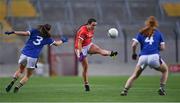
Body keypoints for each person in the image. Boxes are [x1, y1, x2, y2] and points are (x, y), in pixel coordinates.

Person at [5, 24, 68, 93]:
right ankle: (18, 86)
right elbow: (56, 44)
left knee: (20, 70)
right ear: (49, 30)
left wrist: (14, 32)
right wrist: (62, 40)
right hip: (33, 57)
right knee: (28, 75)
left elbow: (24, 33)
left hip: (25, 54)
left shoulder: (34, 31)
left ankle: (12, 81)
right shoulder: (47, 38)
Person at [120, 16, 168, 96]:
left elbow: (133, 45)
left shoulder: (141, 32)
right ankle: (161, 89)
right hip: (154, 57)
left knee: (135, 75)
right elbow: (163, 48)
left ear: (147, 23)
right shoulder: (159, 33)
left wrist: (134, 53)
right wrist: (155, 48)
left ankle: (125, 90)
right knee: (165, 70)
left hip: (143, 57)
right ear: (155, 24)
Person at [74, 18, 118, 91]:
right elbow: (79, 43)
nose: (94, 27)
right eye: (93, 25)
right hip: (80, 48)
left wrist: (91, 49)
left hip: (88, 45)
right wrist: (81, 53)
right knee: (86, 67)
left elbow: (89, 38)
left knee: (99, 50)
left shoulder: (91, 29)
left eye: (95, 25)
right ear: (88, 24)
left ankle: (112, 54)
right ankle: (86, 84)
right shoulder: (83, 31)